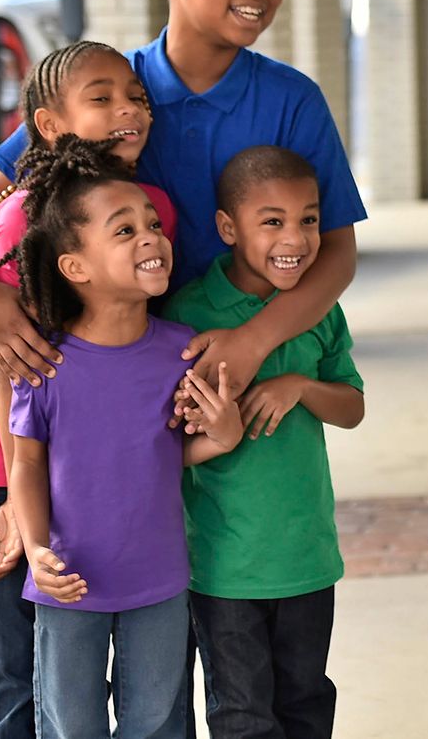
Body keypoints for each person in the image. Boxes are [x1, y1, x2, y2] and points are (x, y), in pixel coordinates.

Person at [0, 0, 366, 403]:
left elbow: (338, 253)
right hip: (115, 372)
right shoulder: (108, 93)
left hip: (240, 370)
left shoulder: (293, 100)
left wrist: (254, 341)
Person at [0, 40, 176, 738]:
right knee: (24, 682)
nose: (127, 111)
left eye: (136, 98)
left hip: (99, 464)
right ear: (49, 125)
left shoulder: (151, 206)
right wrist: (25, 507)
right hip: (10, 462)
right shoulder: (26, 214)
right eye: (103, 99)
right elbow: (7, 359)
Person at [6, 137, 242, 737]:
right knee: (69, 726)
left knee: (156, 723)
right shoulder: (46, 362)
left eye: (153, 224)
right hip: (67, 581)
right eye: (124, 230)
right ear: (75, 266)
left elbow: (171, 452)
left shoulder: (181, 351)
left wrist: (225, 433)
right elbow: (28, 466)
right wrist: (35, 550)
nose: (150, 237)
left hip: (159, 580)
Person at [163, 146, 364, 738]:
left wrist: (299, 386)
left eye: (308, 219)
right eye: (272, 221)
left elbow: (352, 408)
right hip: (225, 566)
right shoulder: (187, 313)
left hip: (307, 556)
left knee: (306, 703)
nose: (296, 238)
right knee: (243, 716)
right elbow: (161, 439)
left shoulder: (318, 311)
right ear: (228, 228)